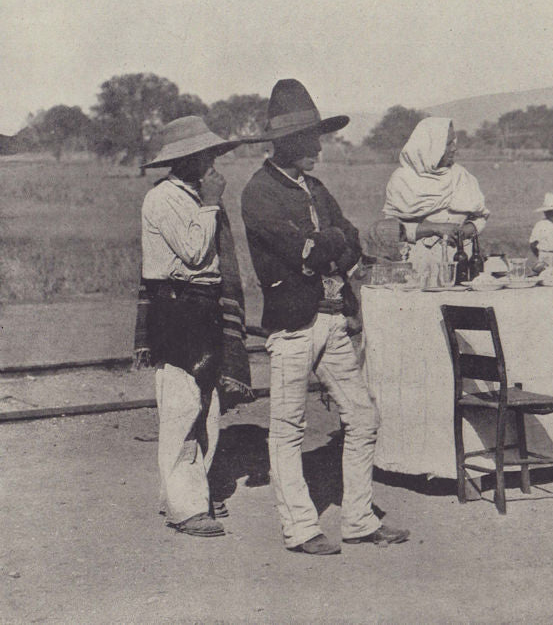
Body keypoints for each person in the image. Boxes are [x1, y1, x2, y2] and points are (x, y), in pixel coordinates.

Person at [241, 79, 409, 555]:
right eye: (310, 140)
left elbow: (349, 239)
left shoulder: (315, 188)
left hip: (333, 319)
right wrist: (329, 244)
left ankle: (358, 519)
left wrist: (327, 244)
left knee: (363, 417)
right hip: (293, 325)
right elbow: (308, 250)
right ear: (286, 143)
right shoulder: (258, 193)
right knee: (287, 427)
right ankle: (299, 528)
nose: (318, 148)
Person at [133, 116, 254, 538]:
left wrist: (208, 203)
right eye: (205, 155)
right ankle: (185, 508)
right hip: (177, 305)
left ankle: (193, 490)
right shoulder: (164, 198)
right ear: (186, 160)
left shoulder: (194, 196)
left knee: (208, 405)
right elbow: (193, 252)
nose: (211, 163)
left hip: (202, 305)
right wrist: (211, 203)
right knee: (182, 404)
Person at [381, 117, 489, 271]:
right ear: (431, 145)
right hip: (418, 263)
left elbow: (480, 218)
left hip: (462, 258)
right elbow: (390, 231)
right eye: (448, 143)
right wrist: (434, 228)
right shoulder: (402, 179)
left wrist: (465, 231)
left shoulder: (461, 176)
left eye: (454, 142)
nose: (454, 148)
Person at [529, 192, 553, 265]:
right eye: (551, 212)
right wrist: (541, 256)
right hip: (545, 256)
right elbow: (533, 244)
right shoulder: (540, 224)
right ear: (546, 213)